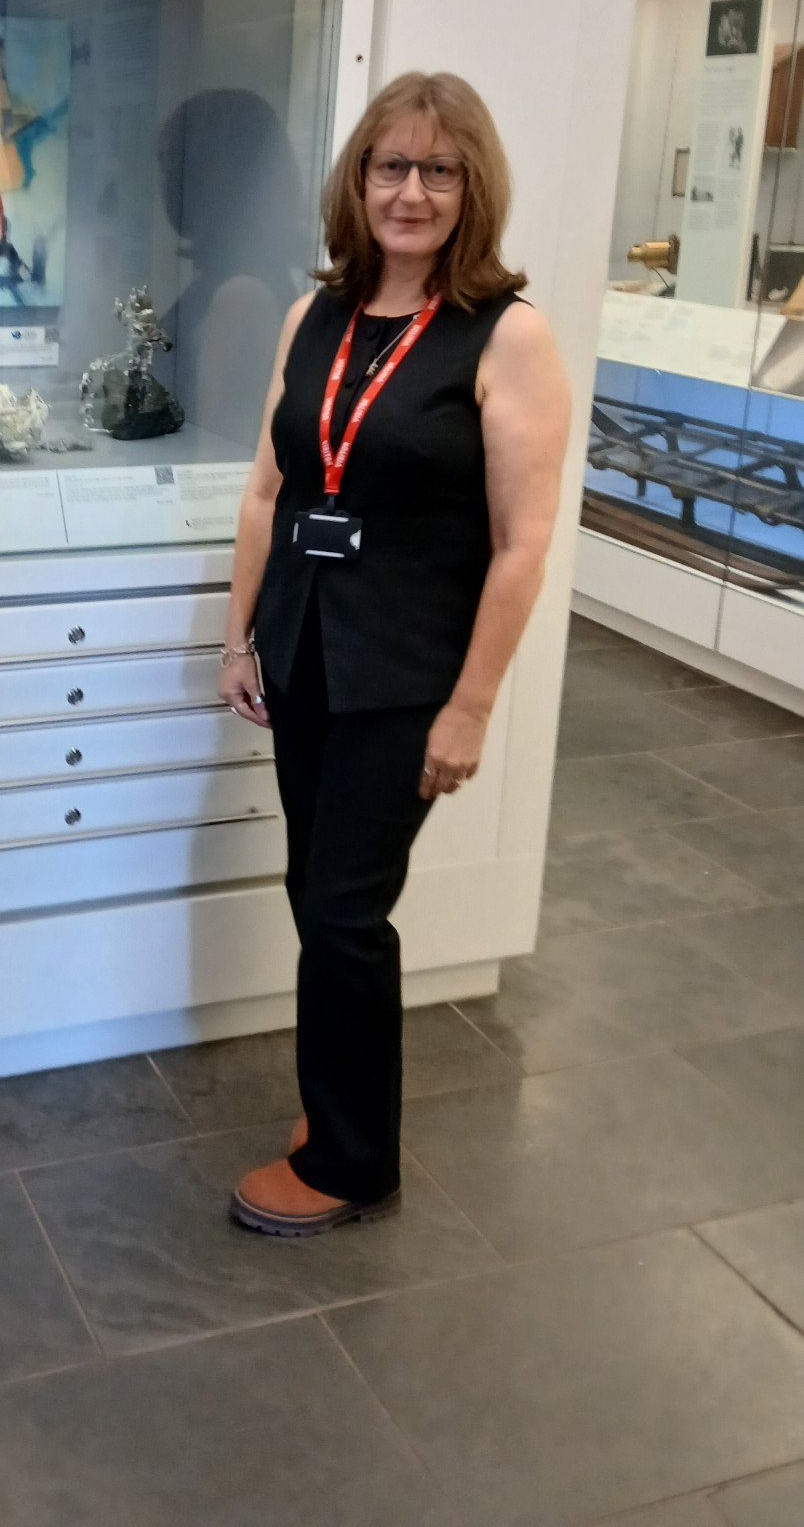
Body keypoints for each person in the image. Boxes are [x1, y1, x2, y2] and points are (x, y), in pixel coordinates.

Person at [218, 71, 569, 1236]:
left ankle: (354, 1161)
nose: (410, 191)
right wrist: (240, 634)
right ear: (357, 180)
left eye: (438, 169)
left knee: (348, 908)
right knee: (316, 894)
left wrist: (469, 709)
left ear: (472, 188)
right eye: (390, 166)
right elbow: (272, 486)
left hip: (408, 678)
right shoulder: (314, 314)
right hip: (308, 653)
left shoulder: (506, 334)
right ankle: (336, 1109)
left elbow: (522, 545)